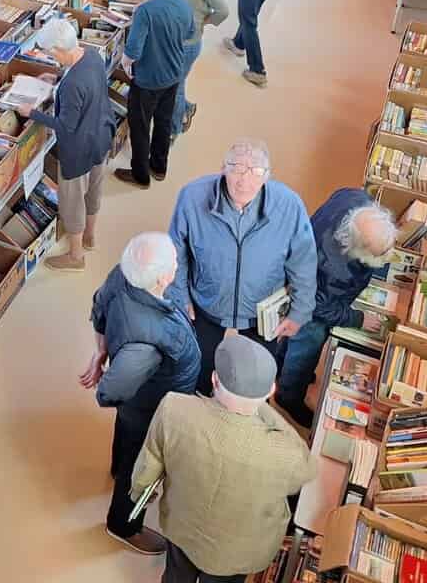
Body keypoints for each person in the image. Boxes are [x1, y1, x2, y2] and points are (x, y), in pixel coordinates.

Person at [132, 336, 315, 583]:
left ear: (215, 379)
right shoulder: (288, 451)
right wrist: (260, 406)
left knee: (176, 574)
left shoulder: (173, 408)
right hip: (238, 551)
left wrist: (140, 492)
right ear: (271, 390)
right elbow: (305, 472)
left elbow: (148, 464)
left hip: (182, 526)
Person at [167, 139, 317, 394]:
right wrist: (179, 295)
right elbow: (176, 252)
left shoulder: (289, 205)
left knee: (257, 379)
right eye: (236, 168)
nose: (244, 180)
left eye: (256, 172)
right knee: (194, 371)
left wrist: (300, 311)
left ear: (267, 176)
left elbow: (304, 261)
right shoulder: (192, 197)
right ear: (222, 168)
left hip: (261, 311)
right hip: (206, 302)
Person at [85, 232, 201, 556]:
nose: (178, 261)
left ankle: (116, 467)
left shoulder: (124, 272)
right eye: (174, 261)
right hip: (153, 406)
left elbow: (99, 304)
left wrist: (101, 351)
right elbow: (111, 391)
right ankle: (124, 524)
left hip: (138, 403)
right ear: (164, 276)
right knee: (142, 465)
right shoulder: (145, 346)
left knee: (126, 433)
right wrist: (112, 382)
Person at [277, 190, 398, 426]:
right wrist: (357, 319)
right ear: (357, 249)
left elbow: (342, 194)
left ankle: (279, 364)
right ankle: (288, 396)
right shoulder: (332, 266)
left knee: (290, 342)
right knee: (305, 349)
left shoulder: (357, 199)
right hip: (310, 305)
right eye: (381, 253)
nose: (390, 255)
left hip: (309, 280)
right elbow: (318, 307)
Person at [17, 18, 116, 272]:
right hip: (101, 137)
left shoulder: (72, 85)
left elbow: (65, 126)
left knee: (72, 203)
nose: (51, 57)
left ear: (59, 50)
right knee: (94, 192)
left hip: (78, 151)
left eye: (51, 53)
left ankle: (75, 256)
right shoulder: (92, 55)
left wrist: (32, 113)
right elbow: (84, 82)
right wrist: (58, 77)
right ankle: (89, 238)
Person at [115, 0, 194, 190]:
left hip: (148, 80)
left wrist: (125, 63)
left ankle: (140, 175)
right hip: (173, 76)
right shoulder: (184, 6)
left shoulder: (146, 12)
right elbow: (189, 33)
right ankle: (159, 167)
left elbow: (133, 50)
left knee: (139, 126)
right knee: (163, 121)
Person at [160, 0, 228, 138]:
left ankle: (174, 129)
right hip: (174, 40)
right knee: (176, 83)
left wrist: (203, 23)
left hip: (187, 44)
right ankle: (186, 107)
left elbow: (223, 10)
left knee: (175, 87)